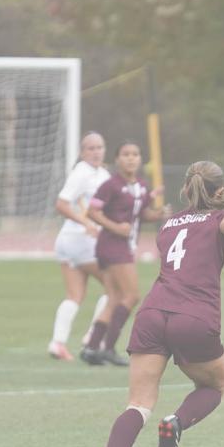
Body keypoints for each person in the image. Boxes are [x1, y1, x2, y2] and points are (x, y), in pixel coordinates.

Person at [92, 160, 224, 447]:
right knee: (214, 386)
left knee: (138, 403)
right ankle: (177, 422)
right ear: (218, 191)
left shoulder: (169, 225)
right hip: (194, 317)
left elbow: (192, 258)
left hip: (153, 313)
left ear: (186, 190)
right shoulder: (223, 219)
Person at [82, 141, 168, 367]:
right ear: (117, 159)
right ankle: (108, 348)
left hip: (124, 246)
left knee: (115, 298)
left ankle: (92, 348)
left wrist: (159, 214)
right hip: (112, 245)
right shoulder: (110, 185)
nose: (131, 158)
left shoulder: (141, 185)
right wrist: (115, 226)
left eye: (135, 154)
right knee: (131, 296)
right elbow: (91, 211)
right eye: (125, 154)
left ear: (140, 159)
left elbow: (141, 215)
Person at [47, 132, 111, 360]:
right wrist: (86, 222)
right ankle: (93, 337)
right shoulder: (82, 173)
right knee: (115, 288)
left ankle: (57, 343)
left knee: (74, 294)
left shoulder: (102, 174)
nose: (95, 152)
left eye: (99, 147)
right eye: (90, 148)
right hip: (81, 240)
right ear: (82, 153)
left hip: (67, 241)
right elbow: (62, 204)